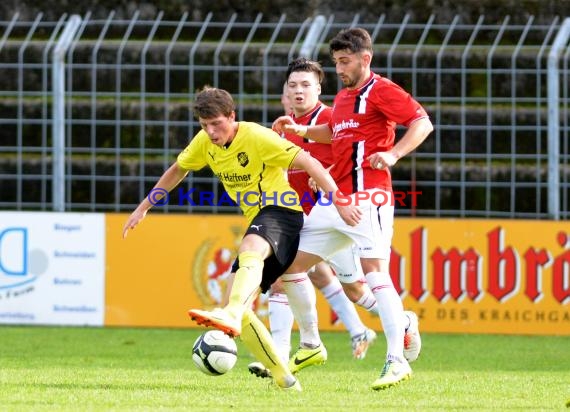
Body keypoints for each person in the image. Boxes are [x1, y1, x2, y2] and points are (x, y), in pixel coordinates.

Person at [123, 86, 359, 391]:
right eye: (204, 125)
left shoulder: (257, 137)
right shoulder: (205, 143)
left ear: (232, 117)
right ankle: (284, 379)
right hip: (260, 218)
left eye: (216, 124)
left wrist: (338, 199)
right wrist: (144, 207)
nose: (210, 131)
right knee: (237, 300)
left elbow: (309, 162)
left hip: (282, 212)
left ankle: (234, 314)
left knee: (247, 254)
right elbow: (178, 169)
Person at [272, 28, 433, 390]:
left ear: (366, 58)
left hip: (369, 197)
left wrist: (393, 153)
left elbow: (423, 122)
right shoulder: (344, 99)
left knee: (375, 274)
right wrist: (301, 130)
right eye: (336, 62)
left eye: (345, 62)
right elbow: (337, 134)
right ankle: (310, 343)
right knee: (287, 267)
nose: (340, 69)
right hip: (335, 202)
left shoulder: (382, 90)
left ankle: (396, 360)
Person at [249, 61, 380, 382]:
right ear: (285, 91)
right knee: (283, 275)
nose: (298, 91)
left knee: (355, 290)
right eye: (292, 85)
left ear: (319, 89)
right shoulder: (285, 126)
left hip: (334, 216)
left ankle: (394, 320)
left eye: (305, 85)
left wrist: (328, 178)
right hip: (304, 219)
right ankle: (281, 354)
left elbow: (352, 157)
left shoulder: (332, 119)